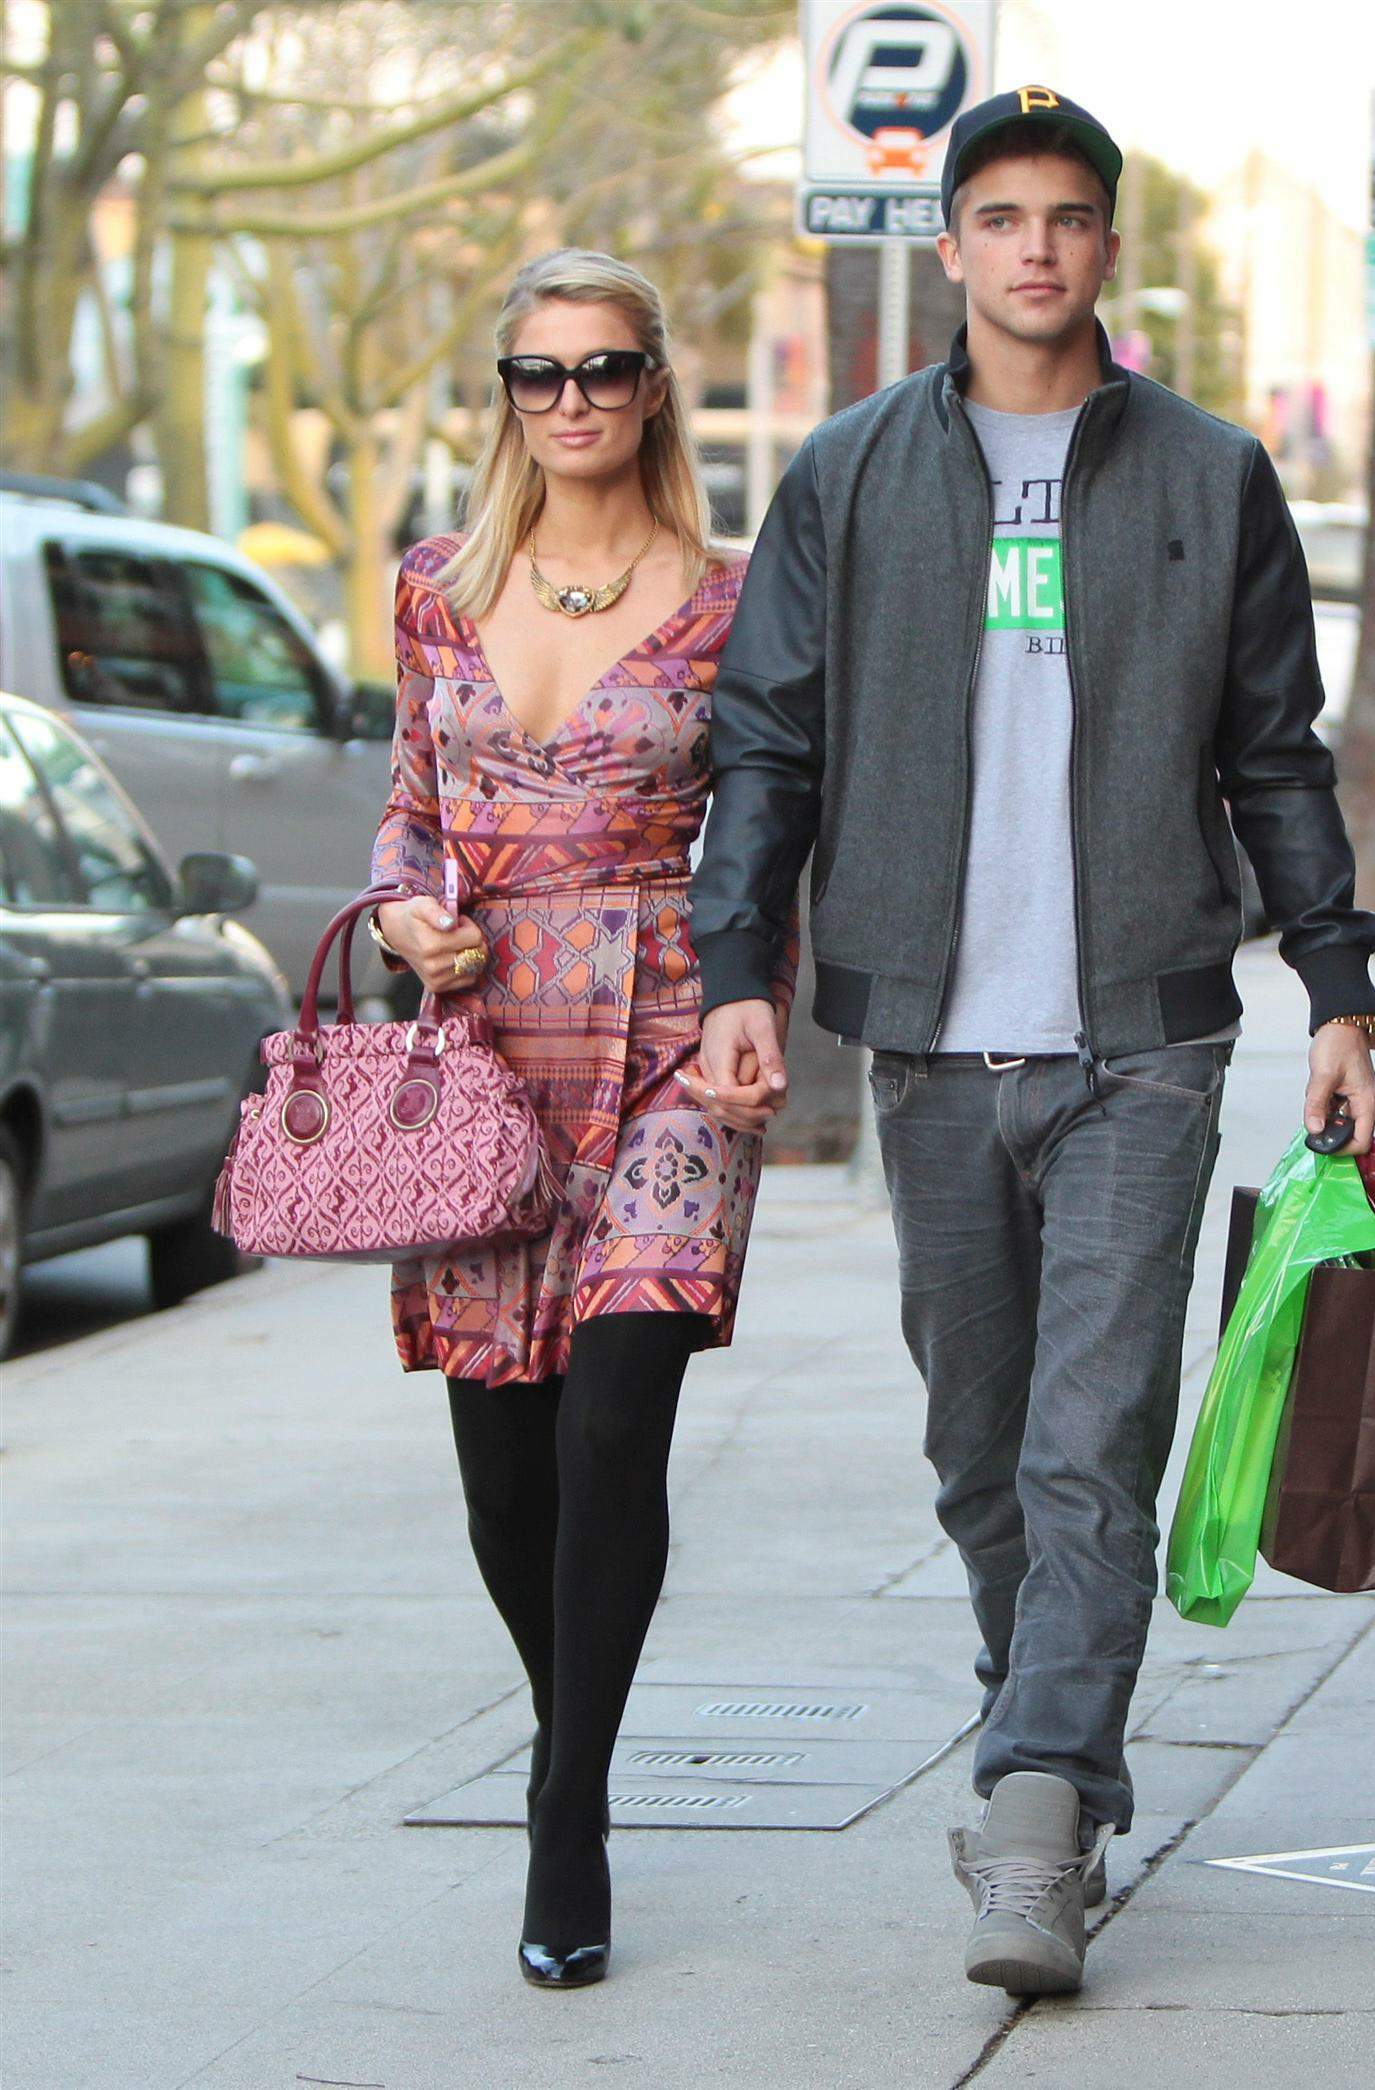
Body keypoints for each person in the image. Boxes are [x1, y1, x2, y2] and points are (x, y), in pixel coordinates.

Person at [688, 88, 1375, 1996]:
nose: (1035, 250)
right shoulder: (843, 475)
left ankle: (1031, 1815)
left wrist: (1338, 984)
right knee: (982, 1453)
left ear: (1104, 244)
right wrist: (737, 957)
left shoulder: (1211, 473)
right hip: (922, 1037)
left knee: (1096, 1445)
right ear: (954, 248)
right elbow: (765, 738)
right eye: (1000, 218)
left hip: (1141, 1036)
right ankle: (1053, 1751)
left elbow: (1274, 753)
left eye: (1068, 218)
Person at [370, 248, 793, 1990]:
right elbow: (409, 810)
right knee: (501, 1469)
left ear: (652, 389)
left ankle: (568, 1818)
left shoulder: (735, 591)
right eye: (536, 377)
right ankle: (575, 1738)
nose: (571, 405)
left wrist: (764, 991)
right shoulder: (432, 588)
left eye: (603, 371)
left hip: (668, 1038)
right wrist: (407, 912)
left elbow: (767, 820)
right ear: (506, 399)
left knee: (617, 1417)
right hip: (482, 1058)